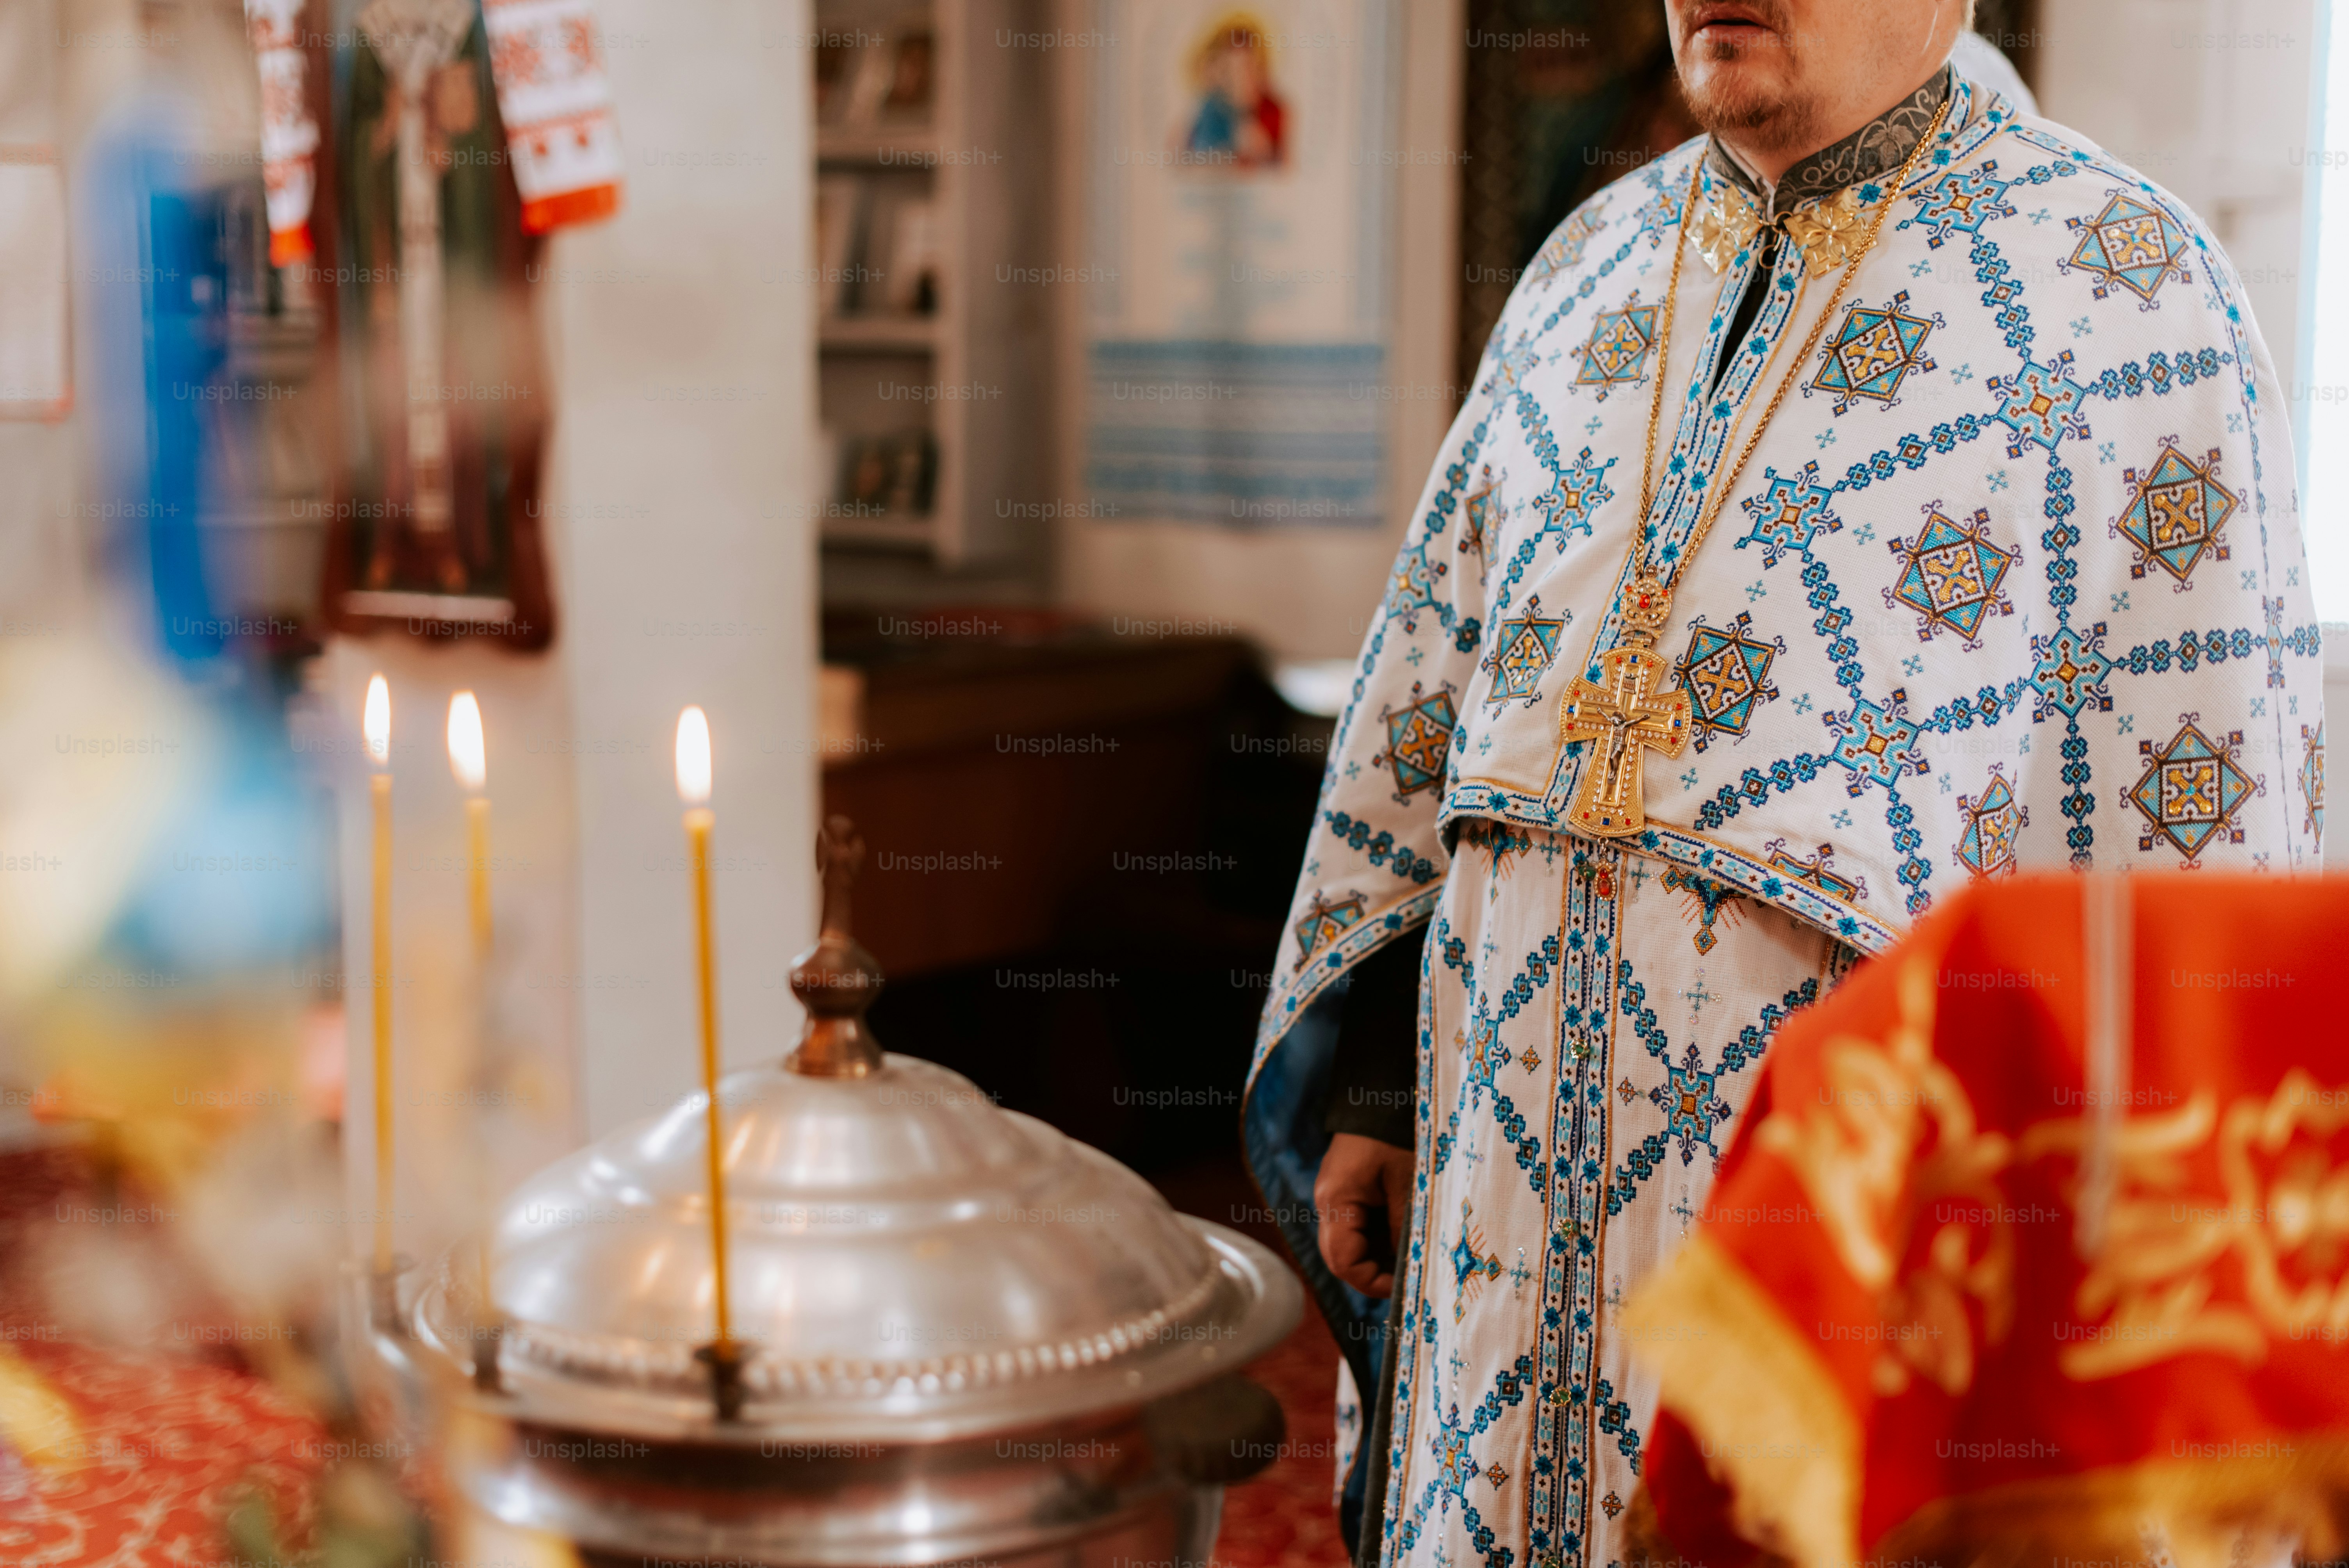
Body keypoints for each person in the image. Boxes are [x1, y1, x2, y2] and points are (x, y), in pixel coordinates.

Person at [1237, 3, 2322, 1566]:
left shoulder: (2130, 294)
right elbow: (1437, 704)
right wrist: (1385, 1096)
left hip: (1839, 1224)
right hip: (1500, 1182)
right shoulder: (1583, 270)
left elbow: (2194, 856)